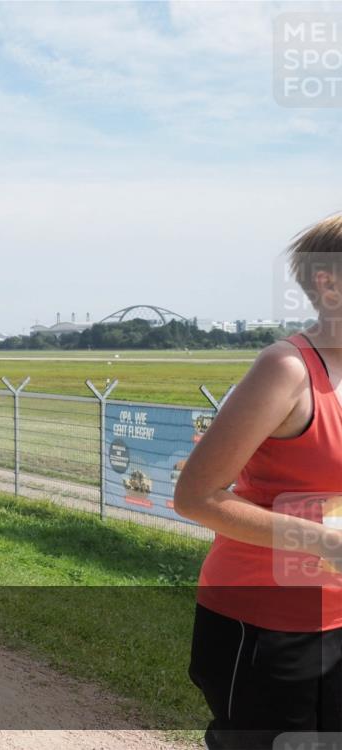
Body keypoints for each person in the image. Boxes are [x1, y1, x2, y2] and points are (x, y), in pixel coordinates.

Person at [174, 214, 342, 749]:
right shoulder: (288, 369)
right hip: (268, 622)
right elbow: (196, 498)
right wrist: (320, 540)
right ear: (329, 282)